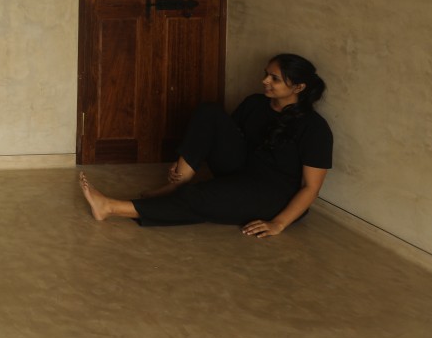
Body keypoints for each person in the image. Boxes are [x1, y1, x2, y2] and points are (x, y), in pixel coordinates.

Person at [78, 54, 332, 238]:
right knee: (209, 112)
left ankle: (111, 208)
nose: (265, 80)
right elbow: (222, 137)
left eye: (274, 78)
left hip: (273, 194)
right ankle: (178, 181)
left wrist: (279, 223)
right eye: (266, 74)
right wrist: (186, 160)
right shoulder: (255, 103)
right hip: (244, 169)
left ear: (298, 87)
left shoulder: (315, 128)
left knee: (200, 196)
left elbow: (311, 188)